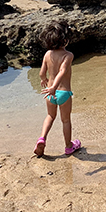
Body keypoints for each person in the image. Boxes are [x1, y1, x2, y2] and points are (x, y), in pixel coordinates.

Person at [34, 20, 82, 157]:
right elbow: (62, 71)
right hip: (62, 92)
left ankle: (42, 138)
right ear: (65, 40)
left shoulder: (47, 54)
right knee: (65, 120)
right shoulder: (68, 55)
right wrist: (55, 86)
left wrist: (45, 81)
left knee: (50, 116)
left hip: (49, 93)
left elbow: (42, 72)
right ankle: (68, 146)